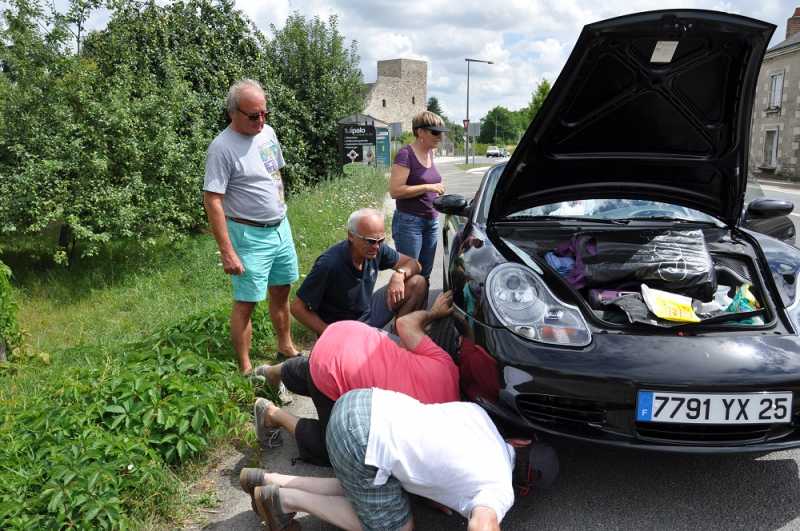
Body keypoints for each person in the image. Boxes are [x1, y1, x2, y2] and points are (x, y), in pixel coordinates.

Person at [241, 388, 530, 531]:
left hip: (359, 401)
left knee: (374, 487)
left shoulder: (480, 417)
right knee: (398, 527)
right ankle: (285, 501)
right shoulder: (500, 487)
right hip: (362, 442)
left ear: (519, 443)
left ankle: (269, 480)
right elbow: (483, 524)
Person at [253, 291, 460, 465]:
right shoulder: (425, 427)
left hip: (347, 332)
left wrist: (433, 313)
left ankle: (271, 373)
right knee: (339, 450)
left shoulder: (447, 365)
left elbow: (405, 323)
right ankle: (272, 415)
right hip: (335, 368)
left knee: (321, 365)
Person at [203, 79, 302, 374]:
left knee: (281, 290)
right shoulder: (221, 148)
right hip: (249, 235)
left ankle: (285, 346)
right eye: (253, 115)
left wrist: (278, 211)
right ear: (233, 113)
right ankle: (246, 368)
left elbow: (275, 173)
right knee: (246, 302)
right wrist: (227, 251)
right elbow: (213, 200)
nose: (261, 120)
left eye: (264, 113)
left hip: (280, 228)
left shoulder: (267, 133)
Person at [290, 208, 427, 335]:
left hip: (368, 314)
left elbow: (414, 264)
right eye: (370, 241)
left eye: (381, 240)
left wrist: (399, 275)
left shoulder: (377, 249)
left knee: (418, 283)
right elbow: (297, 308)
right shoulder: (329, 264)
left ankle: (400, 335)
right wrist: (329, 333)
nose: (376, 247)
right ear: (351, 236)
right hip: (344, 329)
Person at [389, 111, 448, 280]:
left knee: (425, 274)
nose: (440, 137)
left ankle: (423, 299)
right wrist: (428, 187)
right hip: (409, 223)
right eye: (435, 132)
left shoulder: (430, 153)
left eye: (441, 133)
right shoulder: (406, 154)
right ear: (420, 132)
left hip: (432, 220)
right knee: (409, 275)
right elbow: (395, 191)